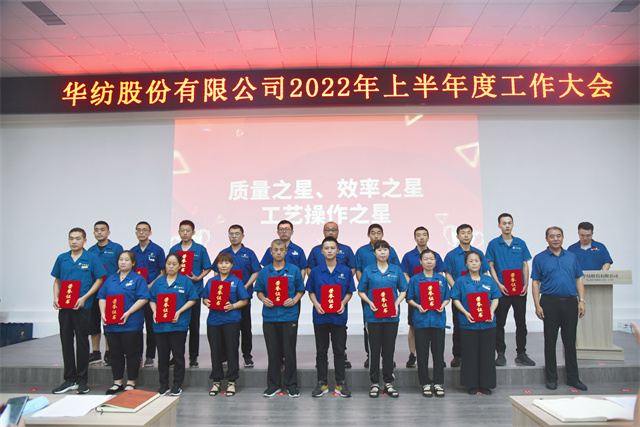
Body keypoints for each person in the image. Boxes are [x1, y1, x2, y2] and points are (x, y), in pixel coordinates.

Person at [51, 227, 107, 394]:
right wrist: (55, 297)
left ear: (84, 240)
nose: (74, 241)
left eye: (77, 238)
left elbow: (99, 279)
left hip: (83, 306)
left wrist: (85, 297)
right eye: (71, 238)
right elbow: (57, 280)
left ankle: (82, 380)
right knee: (66, 341)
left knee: (82, 342)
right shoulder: (62, 258)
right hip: (65, 307)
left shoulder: (91, 258)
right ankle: (70, 379)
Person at [532, 226, 587, 391]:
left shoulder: (571, 256)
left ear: (562, 238)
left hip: (570, 302)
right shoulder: (539, 258)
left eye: (558, 236)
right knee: (550, 341)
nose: (555, 239)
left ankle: (573, 378)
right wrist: (537, 305)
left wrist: (581, 300)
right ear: (546, 239)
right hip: (549, 302)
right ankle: (551, 378)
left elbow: (579, 278)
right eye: (552, 236)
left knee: (570, 342)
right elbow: (535, 282)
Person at [254, 239, 305, 398]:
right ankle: (273, 384)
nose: (278, 252)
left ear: (286, 251)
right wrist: (263, 299)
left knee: (289, 352)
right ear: (271, 252)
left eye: (281, 250)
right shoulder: (264, 271)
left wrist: (294, 300)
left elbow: (301, 290)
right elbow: (259, 291)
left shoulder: (294, 270)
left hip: (289, 316)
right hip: (270, 317)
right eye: (275, 250)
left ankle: (291, 385)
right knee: (273, 352)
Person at [306, 237, 356, 398]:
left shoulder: (345, 271)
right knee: (321, 351)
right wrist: (316, 304)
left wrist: (343, 303)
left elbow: (349, 292)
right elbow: (311, 291)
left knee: (339, 350)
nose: (329, 251)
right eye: (326, 248)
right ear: (322, 251)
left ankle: (340, 383)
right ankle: (322, 383)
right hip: (320, 316)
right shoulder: (315, 271)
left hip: (338, 317)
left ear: (338, 251)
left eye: (332, 248)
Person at [358, 240, 407, 398]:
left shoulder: (396, 270)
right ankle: (374, 383)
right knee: (374, 350)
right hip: (373, 317)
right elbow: (361, 291)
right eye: (379, 250)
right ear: (374, 253)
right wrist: (370, 302)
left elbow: (403, 290)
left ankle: (388, 382)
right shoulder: (368, 270)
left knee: (389, 349)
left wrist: (396, 303)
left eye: (385, 249)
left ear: (389, 252)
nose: (383, 252)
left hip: (391, 316)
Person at [486, 213, 535, 367]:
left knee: (521, 322)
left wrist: (526, 284)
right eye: (504, 223)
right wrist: (498, 284)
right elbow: (490, 266)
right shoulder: (493, 244)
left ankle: (521, 353)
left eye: (509, 223)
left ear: (513, 224)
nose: (507, 226)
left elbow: (525, 264)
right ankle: (500, 353)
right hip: (502, 290)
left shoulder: (520, 243)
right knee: (499, 322)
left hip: (519, 290)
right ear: (499, 225)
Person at [98, 251, 149, 394]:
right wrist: (103, 313)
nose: (123, 262)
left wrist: (128, 312)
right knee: (115, 353)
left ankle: (131, 381)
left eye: (126, 260)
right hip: (111, 324)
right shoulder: (111, 279)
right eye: (121, 259)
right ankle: (117, 382)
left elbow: (143, 298)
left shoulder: (138, 279)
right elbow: (102, 297)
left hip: (131, 323)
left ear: (133, 263)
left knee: (132, 353)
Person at [451, 250, 501, 395]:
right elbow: (455, 299)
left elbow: (496, 297)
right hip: (468, 323)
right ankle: (471, 384)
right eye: (471, 261)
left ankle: (486, 384)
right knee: (469, 354)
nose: (474, 263)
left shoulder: (489, 280)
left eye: (477, 261)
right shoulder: (461, 281)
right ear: (466, 264)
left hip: (487, 323)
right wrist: (465, 313)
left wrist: (491, 311)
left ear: (481, 263)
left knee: (487, 354)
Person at [149, 252, 199, 396]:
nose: (171, 267)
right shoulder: (158, 282)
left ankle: (177, 384)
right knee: (163, 356)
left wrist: (179, 311)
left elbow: (192, 299)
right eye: (168, 264)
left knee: (178, 355)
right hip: (160, 325)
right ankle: (163, 385)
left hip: (178, 324)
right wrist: (154, 311)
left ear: (180, 266)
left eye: (174, 264)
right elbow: (152, 299)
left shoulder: (185, 281)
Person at [213, 224, 261, 368]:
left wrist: (244, 286)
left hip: (243, 296)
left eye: (237, 234)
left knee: (245, 327)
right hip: (225, 297)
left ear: (242, 236)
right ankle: (225, 356)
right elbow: (216, 271)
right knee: (226, 327)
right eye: (231, 234)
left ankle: (247, 355)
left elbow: (256, 271)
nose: (234, 236)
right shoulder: (223, 253)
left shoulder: (249, 253)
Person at [202, 253, 250, 397]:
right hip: (214, 321)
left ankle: (232, 381)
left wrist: (233, 306)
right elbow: (205, 298)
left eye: (227, 263)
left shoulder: (236, 281)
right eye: (221, 263)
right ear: (217, 265)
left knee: (231, 350)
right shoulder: (211, 281)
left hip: (231, 320)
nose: (224, 265)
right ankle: (216, 381)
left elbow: (245, 300)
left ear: (231, 265)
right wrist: (206, 302)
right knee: (215, 351)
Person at [444, 224, 491, 368]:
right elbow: (448, 274)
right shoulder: (451, 255)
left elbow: (485, 273)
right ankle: (458, 355)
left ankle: (476, 354)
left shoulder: (478, 253)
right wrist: (458, 290)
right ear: (457, 236)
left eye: (468, 233)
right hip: (460, 298)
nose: (466, 235)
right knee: (459, 326)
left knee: (479, 325)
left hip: (478, 296)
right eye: (463, 233)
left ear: (472, 235)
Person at [355, 224, 401, 368]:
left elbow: (397, 269)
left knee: (388, 329)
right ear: (368, 234)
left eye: (378, 232)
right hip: (370, 295)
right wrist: (366, 288)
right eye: (373, 233)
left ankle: (388, 358)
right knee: (370, 327)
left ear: (382, 234)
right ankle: (370, 356)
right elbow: (358, 270)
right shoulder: (362, 251)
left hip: (389, 297)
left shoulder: (390, 250)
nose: (376, 235)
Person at [406, 249, 450, 398]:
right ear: (421, 261)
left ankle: (438, 383)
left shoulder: (442, 279)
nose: (429, 261)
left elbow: (447, 297)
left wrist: (443, 305)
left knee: (438, 354)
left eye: (431, 259)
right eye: (426, 259)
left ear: (436, 262)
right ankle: (425, 383)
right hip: (421, 321)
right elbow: (409, 298)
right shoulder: (415, 280)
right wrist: (418, 306)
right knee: (422, 354)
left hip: (438, 321)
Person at [169, 220, 212, 368]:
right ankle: (176, 356)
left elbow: (208, 267)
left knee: (193, 326)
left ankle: (193, 357)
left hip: (194, 292)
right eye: (182, 230)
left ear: (193, 232)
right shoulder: (174, 249)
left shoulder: (200, 249)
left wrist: (199, 278)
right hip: (176, 294)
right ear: (178, 232)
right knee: (176, 325)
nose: (185, 233)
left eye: (188, 230)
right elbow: (169, 267)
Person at [401, 226, 445, 368]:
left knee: (435, 327)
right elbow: (405, 274)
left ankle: (438, 358)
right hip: (416, 297)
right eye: (418, 235)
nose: (421, 237)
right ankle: (413, 354)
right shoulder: (408, 256)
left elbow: (440, 274)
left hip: (433, 295)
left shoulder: (435, 255)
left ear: (428, 237)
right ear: (414, 238)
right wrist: (415, 287)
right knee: (414, 325)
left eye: (424, 235)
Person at [87, 221, 123, 366]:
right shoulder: (90, 251)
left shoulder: (116, 248)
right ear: (93, 233)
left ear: (108, 232)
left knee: (110, 321)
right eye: (96, 230)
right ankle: (96, 352)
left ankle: (109, 352)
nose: (99, 232)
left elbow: (122, 267)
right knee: (93, 323)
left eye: (102, 230)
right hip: (94, 291)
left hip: (111, 292)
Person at [130, 221, 166, 368]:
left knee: (151, 325)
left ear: (150, 232)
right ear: (135, 233)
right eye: (138, 230)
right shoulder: (132, 251)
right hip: (137, 295)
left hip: (152, 293)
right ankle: (137, 355)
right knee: (137, 325)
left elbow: (163, 271)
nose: (141, 232)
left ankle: (150, 356)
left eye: (144, 230)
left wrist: (151, 285)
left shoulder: (157, 250)